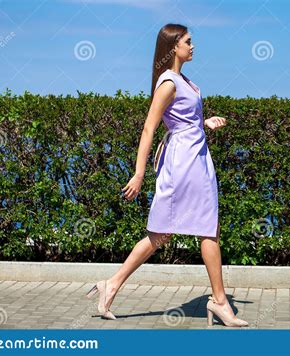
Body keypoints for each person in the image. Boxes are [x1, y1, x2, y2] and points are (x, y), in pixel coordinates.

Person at [86, 24, 248, 327]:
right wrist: (138, 174)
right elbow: (149, 128)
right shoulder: (168, 83)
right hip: (183, 163)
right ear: (174, 47)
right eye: (188, 41)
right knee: (189, 229)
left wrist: (205, 123)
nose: (193, 46)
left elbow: (184, 121)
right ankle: (220, 302)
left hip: (196, 157)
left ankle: (112, 285)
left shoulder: (184, 80)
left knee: (181, 230)